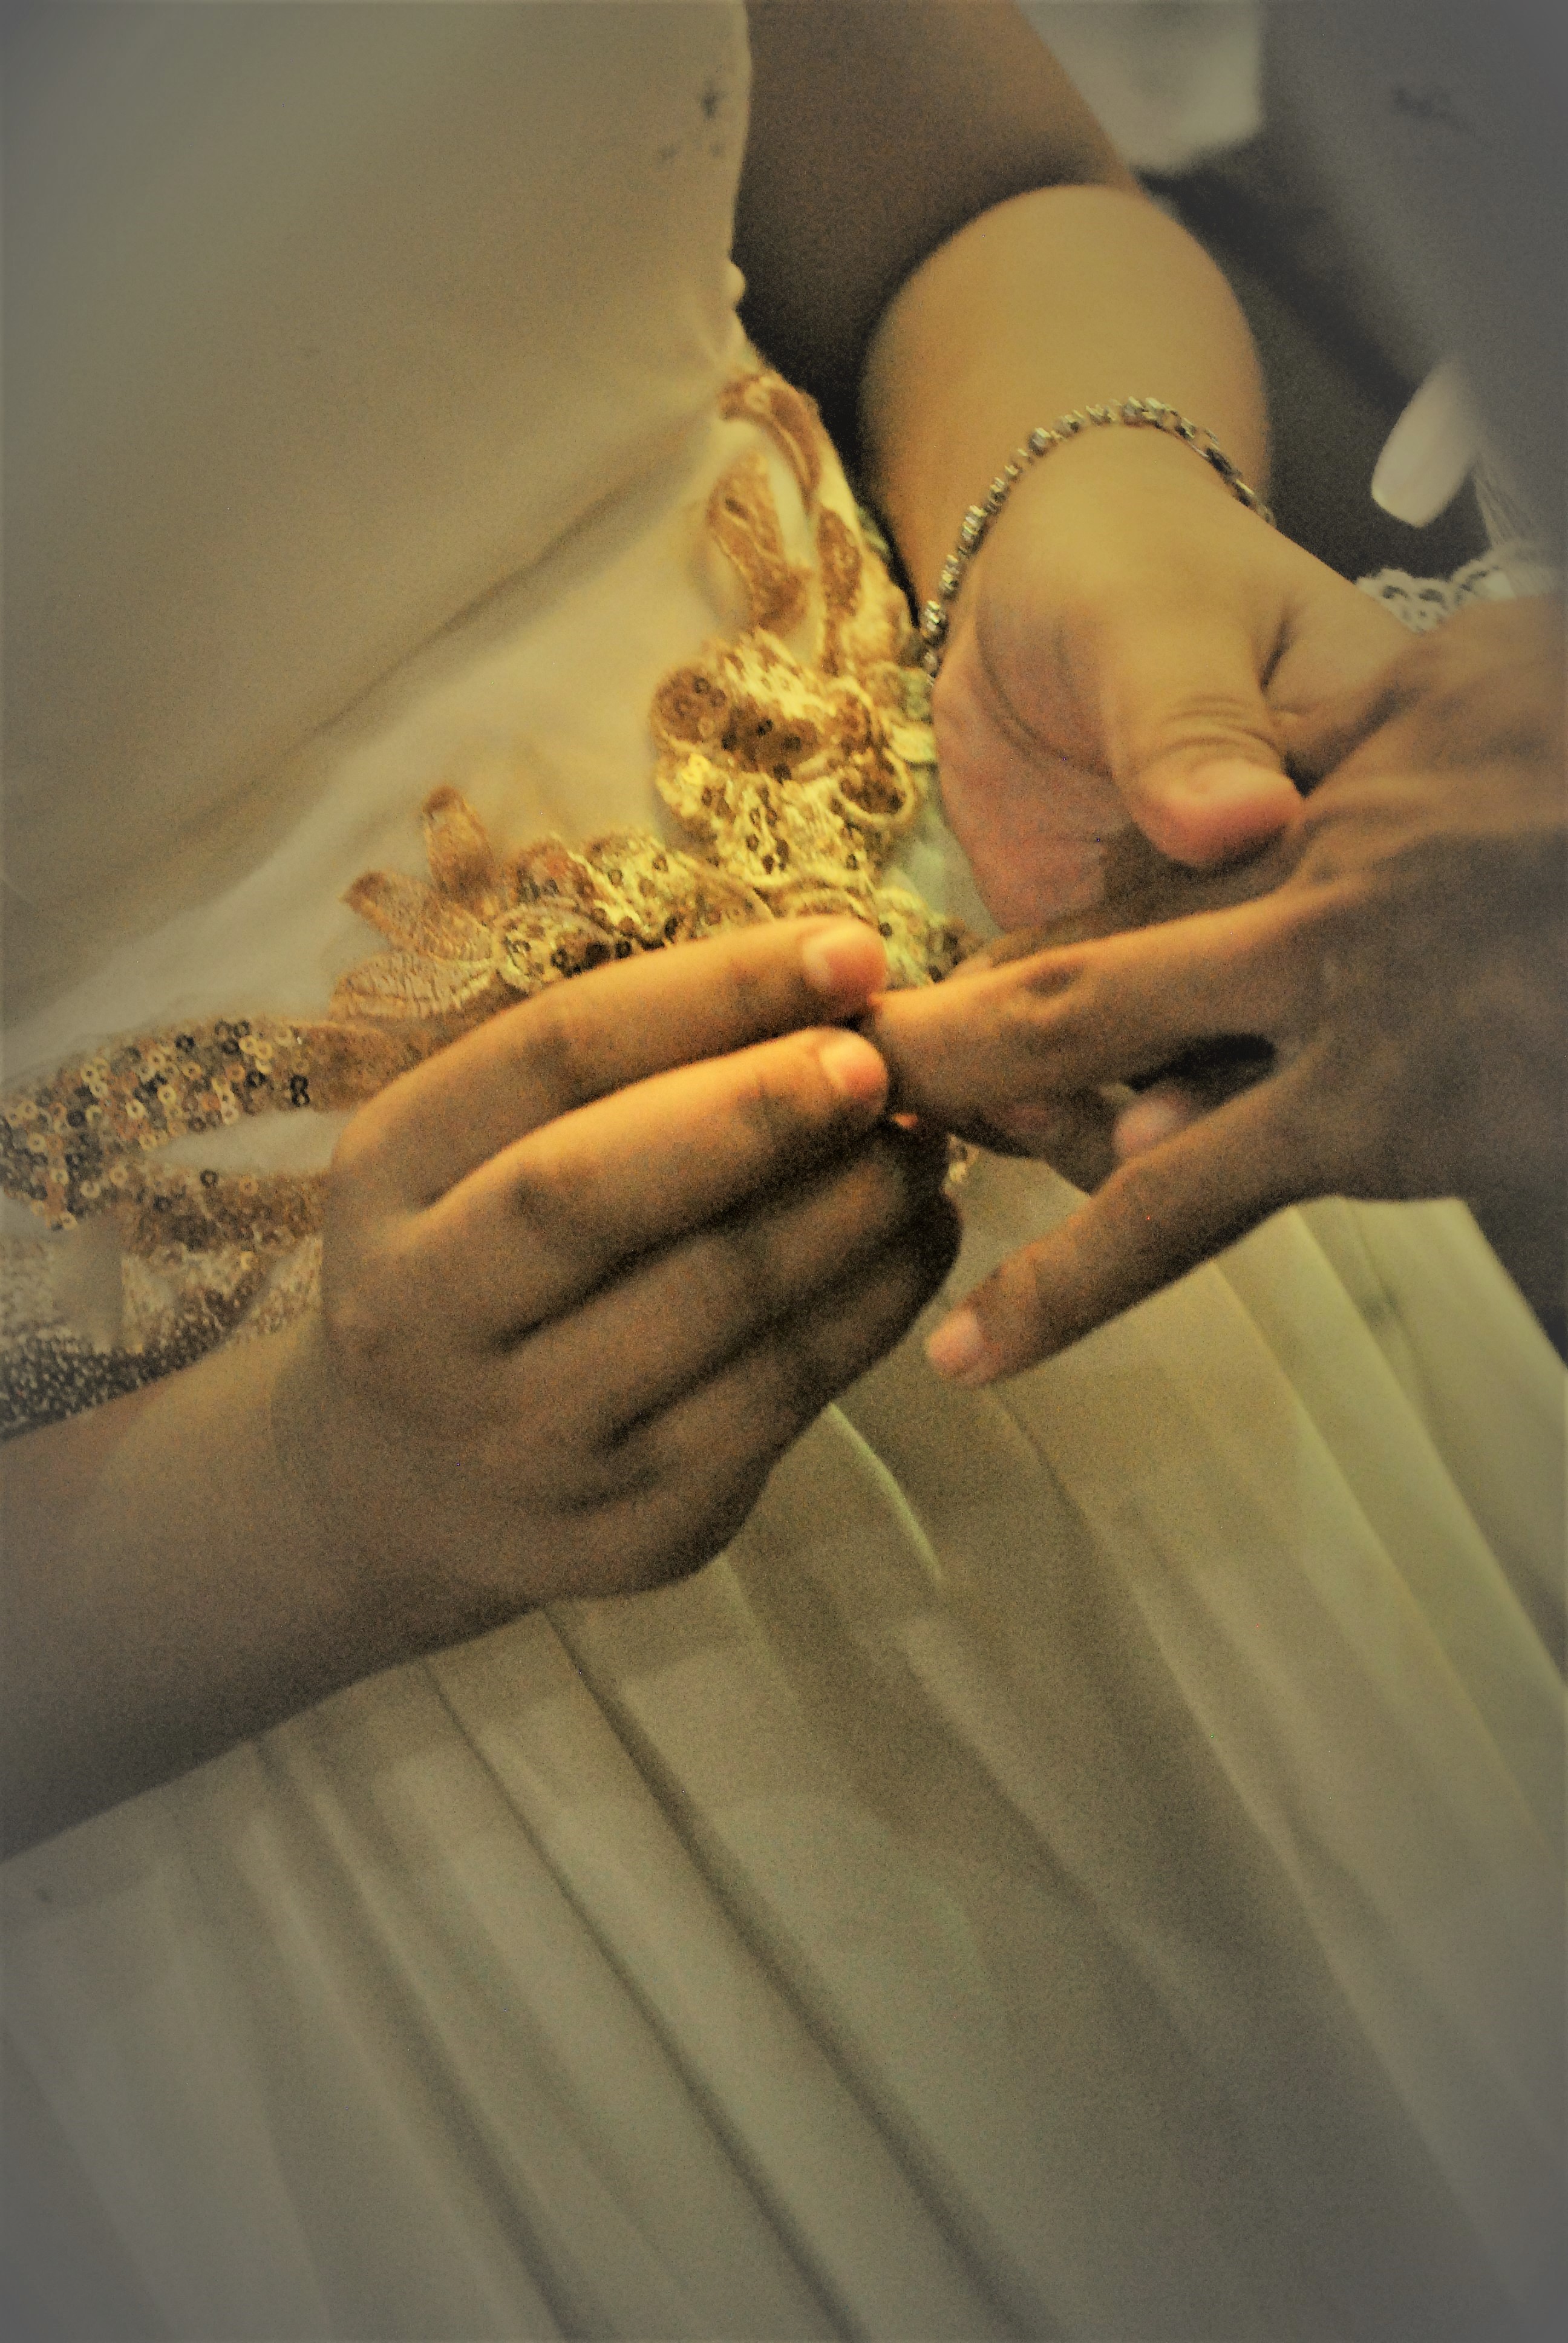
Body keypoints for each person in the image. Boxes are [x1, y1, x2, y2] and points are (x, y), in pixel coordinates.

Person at [2, 5, 1561, 2336]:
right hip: (390, 1804)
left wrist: (1093, 494)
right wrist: (316, 1503)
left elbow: (978, 204)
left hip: (1154, 1296)